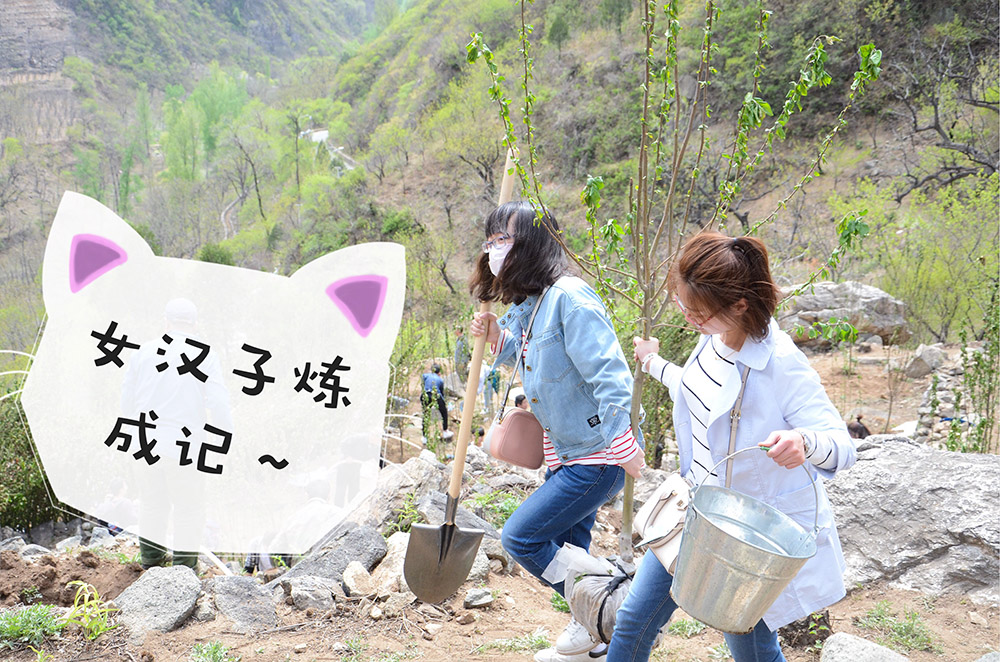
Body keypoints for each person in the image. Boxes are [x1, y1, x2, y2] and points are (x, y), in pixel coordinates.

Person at [609, 232, 857, 662]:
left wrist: (804, 442)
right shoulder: (714, 336)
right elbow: (696, 390)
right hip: (695, 513)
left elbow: (842, 446)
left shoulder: (781, 363)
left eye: (697, 311)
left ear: (739, 305)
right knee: (633, 621)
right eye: (683, 305)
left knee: (752, 649)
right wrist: (652, 362)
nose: (689, 318)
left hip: (746, 538)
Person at [469, 201, 644, 662]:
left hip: (598, 453)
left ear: (532, 242)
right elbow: (532, 356)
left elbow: (610, 373)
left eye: (503, 239)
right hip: (565, 452)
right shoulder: (535, 303)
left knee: (521, 537)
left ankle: (611, 601)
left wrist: (623, 440)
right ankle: (592, 633)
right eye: (490, 241)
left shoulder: (570, 297)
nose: (494, 250)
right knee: (571, 546)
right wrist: (496, 336)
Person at [420, 364, 453, 440]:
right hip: (436, 395)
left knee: (425, 415)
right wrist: (443, 403)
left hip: (426, 394)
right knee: (444, 412)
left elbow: (423, 383)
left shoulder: (425, 375)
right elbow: (441, 393)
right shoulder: (440, 380)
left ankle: (424, 436)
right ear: (439, 372)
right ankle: (445, 431)